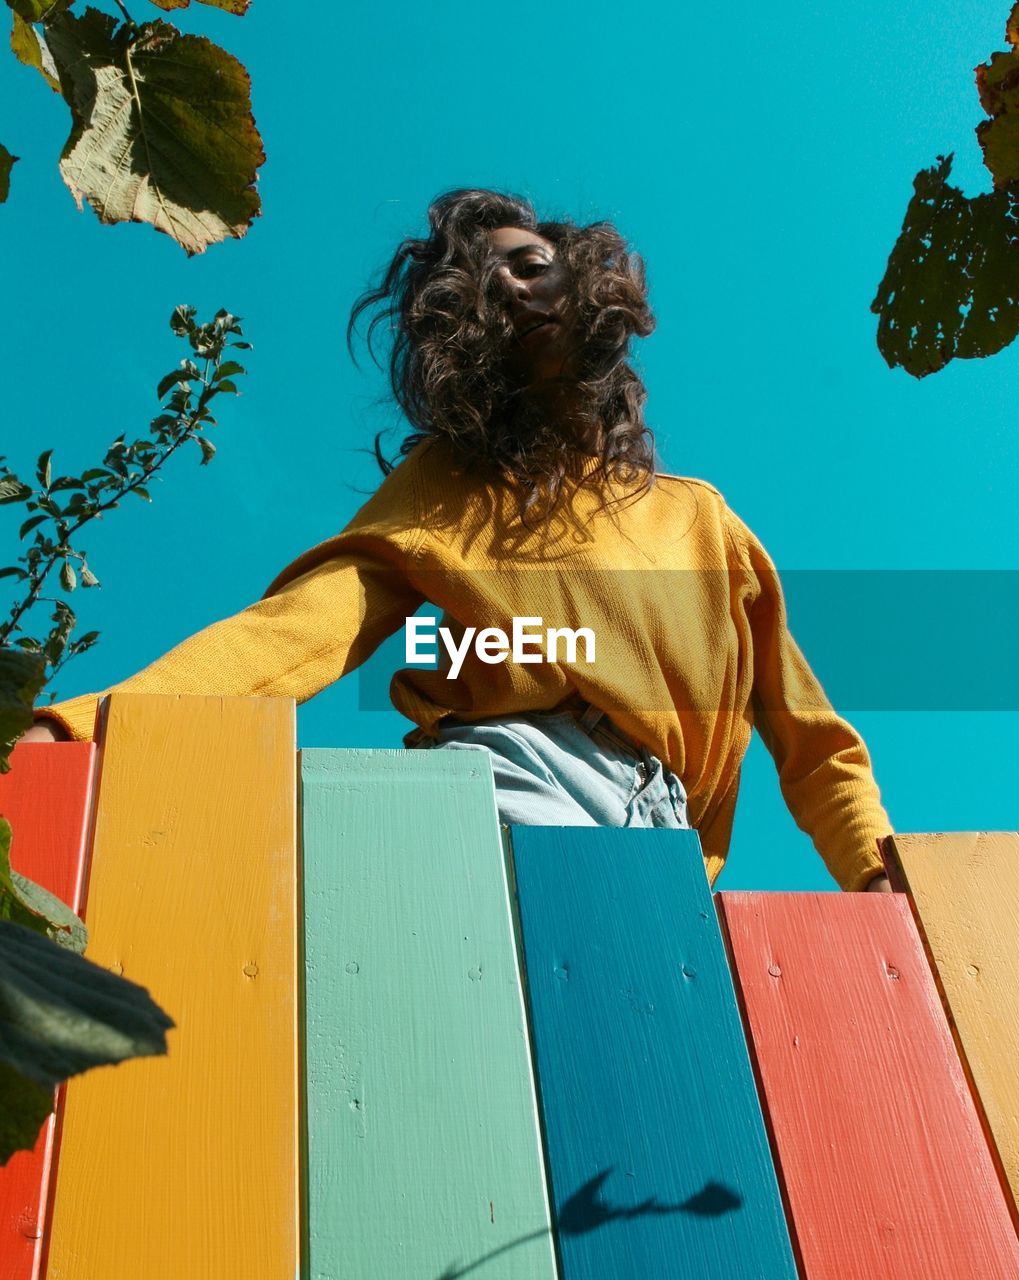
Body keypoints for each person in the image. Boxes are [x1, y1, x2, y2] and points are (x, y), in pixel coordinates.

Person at [21, 188, 892, 893]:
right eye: (486, 286)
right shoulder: (449, 483)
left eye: (531, 264)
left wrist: (881, 878)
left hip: (675, 844)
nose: (512, 288)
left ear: (587, 280)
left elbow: (815, 741)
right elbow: (300, 630)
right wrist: (81, 728)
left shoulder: (705, 521)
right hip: (521, 769)